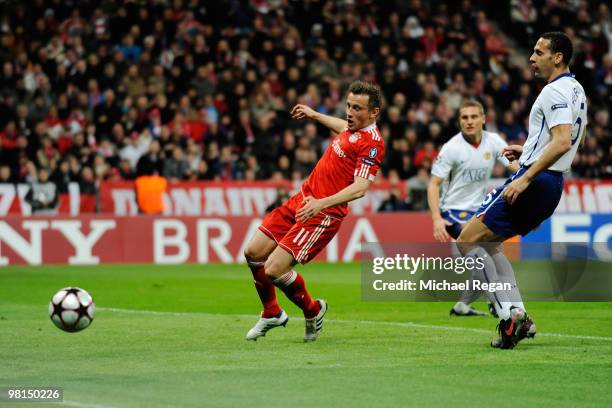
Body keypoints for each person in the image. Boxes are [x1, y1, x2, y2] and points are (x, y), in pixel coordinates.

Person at [457, 32, 587, 349]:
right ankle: (520, 315)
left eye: (539, 52)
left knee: (466, 241)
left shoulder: (553, 91)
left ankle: (508, 318)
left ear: (557, 57)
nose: (531, 57)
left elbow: (561, 141)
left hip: (537, 180)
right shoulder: (576, 89)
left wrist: (526, 176)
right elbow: (566, 142)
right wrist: (528, 151)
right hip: (551, 182)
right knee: (491, 246)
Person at [243, 81, 385, 342]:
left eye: (357, 108)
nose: (349, 112)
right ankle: (271, 312)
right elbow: (342, 127)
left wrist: (321, 203)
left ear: (373, 113)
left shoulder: (372, 144)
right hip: (302, 199)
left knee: (274, 269)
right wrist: (315, 114)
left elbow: (361, 187)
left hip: (323, 213)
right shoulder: (351, 130)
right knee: (253, 253)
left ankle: (313, 310)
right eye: (348, 105)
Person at [427, 100, 519, 316]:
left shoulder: (494, 141)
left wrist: (525, 178)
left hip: (478, 211)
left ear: (483, 119)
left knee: (487, 260)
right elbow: (434, 184)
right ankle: (501, 307)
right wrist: (436, 218)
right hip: (452, 212)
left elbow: (514, 167)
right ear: (459, 121)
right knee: (486, 256)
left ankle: (462, 305)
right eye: (464, 118)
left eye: (473, 117)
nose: (469, 122)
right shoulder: (451, 148)